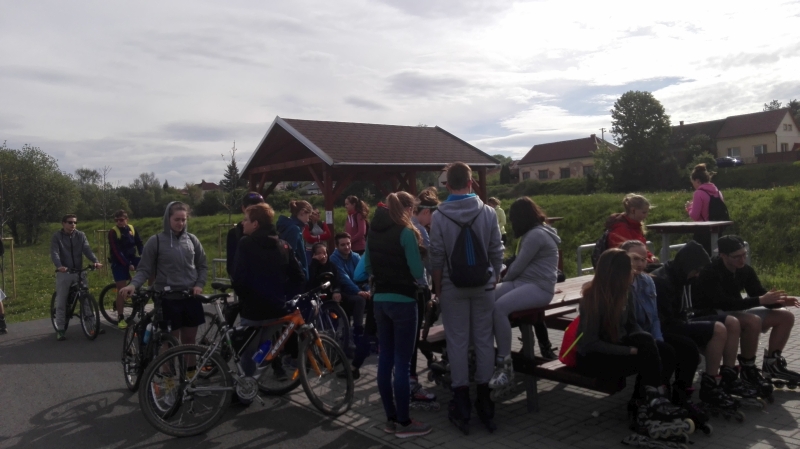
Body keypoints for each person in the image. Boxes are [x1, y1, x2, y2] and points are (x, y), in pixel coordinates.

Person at [576, 249, 687, 437]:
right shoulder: (591, 299)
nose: (634, 272)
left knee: (664, 351)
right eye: (630, 269)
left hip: (618, 344)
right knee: (646, 357)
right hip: (595, 357)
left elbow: (632, 324)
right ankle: (649, 403)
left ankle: (645, 401)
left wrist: (645, 341)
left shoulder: (626, 292)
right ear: (618, 273)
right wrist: (630, 351)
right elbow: (590, 343)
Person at [429, 161, 504, 434]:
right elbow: (496, 249)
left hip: (453, 286)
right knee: (484, 340)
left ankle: (461, 404)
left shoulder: (439, 215)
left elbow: (437, 256)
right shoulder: (488, 212)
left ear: (448, 185)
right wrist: (494, 277)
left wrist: (438, 288)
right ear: (471, 182)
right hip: (484, 285)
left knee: (457, 343)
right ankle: (485, 402)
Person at [650, 241, 751, 408]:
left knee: (732, 322)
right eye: (696, 271)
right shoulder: (663, 281)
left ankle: (728, 376)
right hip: (668, 325)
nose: (697, 275)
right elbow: (666, 319)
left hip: (684, 318)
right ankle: (709, 384)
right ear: (687, 265)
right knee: (718, 329)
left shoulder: (685, 275)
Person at [695, 235, 800, 394]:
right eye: (737, 256)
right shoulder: (710, 272)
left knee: (785, 317)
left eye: (744, 254)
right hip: (712, 313)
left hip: (735, 311)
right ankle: (747, 369)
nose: (742, 259)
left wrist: (781, 301)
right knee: (752, 321)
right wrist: (760, 300)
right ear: (723, 255)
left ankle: (772, 365)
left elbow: (758, 293)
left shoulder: (745, 270)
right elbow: (724, 303)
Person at [364, 193, 432, 438]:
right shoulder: (406, 232)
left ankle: (390, 419)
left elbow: (368, 266)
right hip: (403, 300)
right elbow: (417, 271)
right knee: (402, 363)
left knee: (385, 359)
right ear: (408, 209)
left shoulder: (372, 232)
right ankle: (404, 422)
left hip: (380, 300)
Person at [620, 240, 706, 424]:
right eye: (635, 258)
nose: (640, 263)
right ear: (622, 259)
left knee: (688, 348)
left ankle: (680, 396)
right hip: (627, 336)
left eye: (643, 259)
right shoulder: (618, 284)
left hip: (648, 334)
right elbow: (625, 324)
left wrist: (657, 339)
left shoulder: (647, 281)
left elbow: (654, 318)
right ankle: (641, 401)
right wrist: (654, 343)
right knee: (664, 352)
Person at [232, 203, 306, 398]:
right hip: (277, 308)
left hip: (253, 310)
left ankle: (243, 392)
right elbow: (298, 276)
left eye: (246, 220)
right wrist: (284, 296)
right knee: (266, 347)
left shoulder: (246, 244)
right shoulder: (283, 245)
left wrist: (245, 298)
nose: (243, 223)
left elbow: (238, 278)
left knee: (247, 352)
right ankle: (255, 381)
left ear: (255, 224)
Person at [489, 197, 560, 391]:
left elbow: (518, 265)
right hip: (523, 282)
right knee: (485, 299)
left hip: (539, 287)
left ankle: (505, 364)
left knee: (499, 308)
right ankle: (479, 351)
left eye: (513, 219)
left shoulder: (536, 235)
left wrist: (503, 279)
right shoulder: (536, 232)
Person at [119, 202, 207, 351]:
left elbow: (202, 265)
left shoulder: (192, 240)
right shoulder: (156, 241)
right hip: (168, 299)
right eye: (177, 219)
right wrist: (133, 285)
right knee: (170, 342)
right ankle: (167, 367)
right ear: (168, 219)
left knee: (190, 342)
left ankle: (190, 367)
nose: (180, 223)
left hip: (190, 297)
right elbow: (144, 269)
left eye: (183, 219)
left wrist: (199, 284)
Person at [409, 188, 440, 406]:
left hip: (392, 291)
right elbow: (430, 262)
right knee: (418, 332)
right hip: (418, 288)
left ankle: (406, 379)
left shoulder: (396, 226)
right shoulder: (419, 229)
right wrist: (438, 285)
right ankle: (413, 381)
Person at [51, 214, 102, 341]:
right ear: (63, 223)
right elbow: (55, 252)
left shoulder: (80, 235)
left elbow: (87, 250)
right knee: (61, 300)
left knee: (85, 299)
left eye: (75, 222)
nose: (73, 224)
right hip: (65, 272)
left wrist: (95, 261)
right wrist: (59, 266)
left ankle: (92, 324)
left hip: (79, 271)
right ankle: (61, 329)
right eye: (70, 222)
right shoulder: (57, 236)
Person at [108, 210, 144, 329]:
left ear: (126, 220)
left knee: (151, 268)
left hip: (131, 258)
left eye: (121, 220)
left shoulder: (132, 229)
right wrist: (128, 264)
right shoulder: (113, 232)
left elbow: (139, 243)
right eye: (116, 220)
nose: (119, 222)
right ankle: (120, 317)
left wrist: (144, 256)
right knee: (122, 289)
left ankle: (148, 291)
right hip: (118, 262)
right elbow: (116, 251)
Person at [605, 194, 658, 264]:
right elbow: (628, 254)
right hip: (625, 267)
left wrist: (651, 256)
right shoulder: (620, 229)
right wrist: (648, 261)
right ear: (633, 210)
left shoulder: (635, 226)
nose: (646, 216)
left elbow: (641, 249)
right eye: (644, 212)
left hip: (637, 265)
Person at [685, 163, 726, 255]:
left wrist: (689, 207)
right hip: (717, 230)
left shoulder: (698, 193)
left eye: (693, 183)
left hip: (703, 231)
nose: (693, 186)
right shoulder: (718, 192)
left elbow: (695, 216)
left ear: (698, 181)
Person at [225, 191, 266, 281]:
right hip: (246, 284)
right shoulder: (235, 233)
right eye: (251, 207)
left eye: (258, 207)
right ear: (243, 208)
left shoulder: (271, 232)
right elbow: (231, 265)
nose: (255, 211)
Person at [276, 200, 312, 280]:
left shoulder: (286, 226)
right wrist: (302, 271)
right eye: (308, 216)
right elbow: (292, 255)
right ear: (302, 212)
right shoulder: (294, 229)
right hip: (295, 276)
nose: (308, 220)